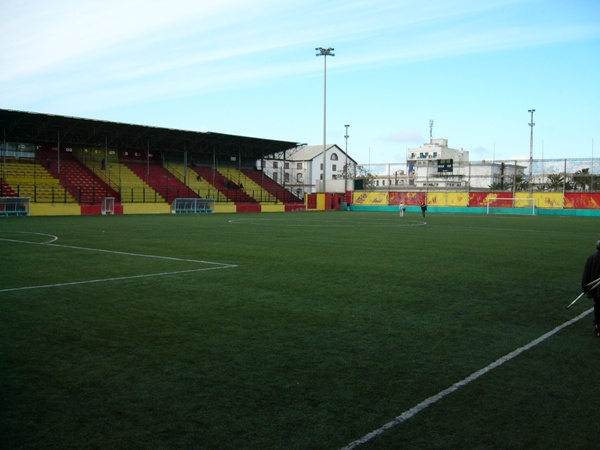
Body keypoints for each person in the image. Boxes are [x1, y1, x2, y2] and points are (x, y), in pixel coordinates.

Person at [582, 240, 600, 337]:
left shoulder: (591, 258)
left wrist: (584, 287)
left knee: (597, 305)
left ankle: (596, 324)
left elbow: (586, 275)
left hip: (595, 290)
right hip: (597, 288)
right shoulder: (592, 258)